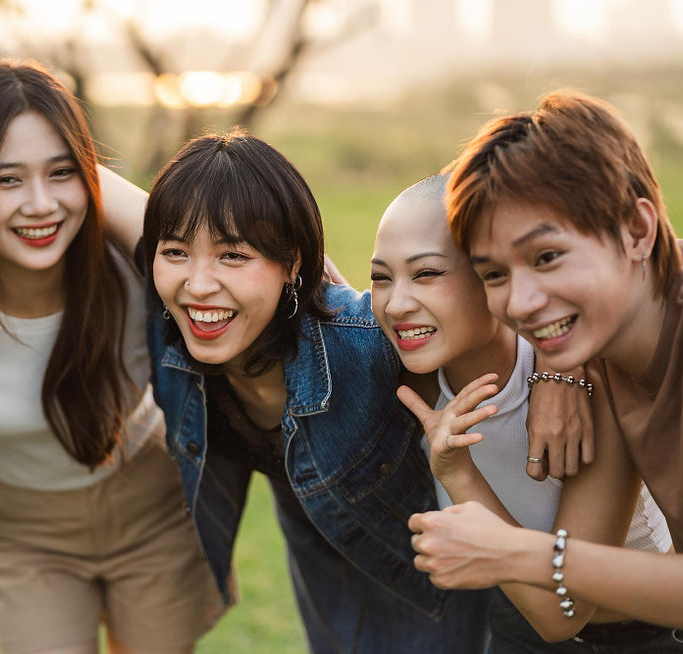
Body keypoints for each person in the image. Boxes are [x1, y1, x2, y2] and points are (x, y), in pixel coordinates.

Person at [140, 128, 492, 653]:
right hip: (326, 583)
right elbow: (82, 187)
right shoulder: (169, 334)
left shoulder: (369, 343)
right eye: (175, 252)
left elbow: (515, 312)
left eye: (233, 255)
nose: (198, 284)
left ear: (294, 263)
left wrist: (565, 379)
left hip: (437, 595)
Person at [0, 60, 223, 654]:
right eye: (6, 180)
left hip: (154, 507)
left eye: (62, 172)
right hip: (24, 531)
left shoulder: (138, 269)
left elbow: (249, 258)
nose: (40, 205)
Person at [408, 91, 683, 633]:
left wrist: (515, 553)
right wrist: (560, 369)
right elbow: (559, 616)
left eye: (547, 257)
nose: (522, 302)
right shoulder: (604, 352)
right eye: (494, 274)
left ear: (637, 230)